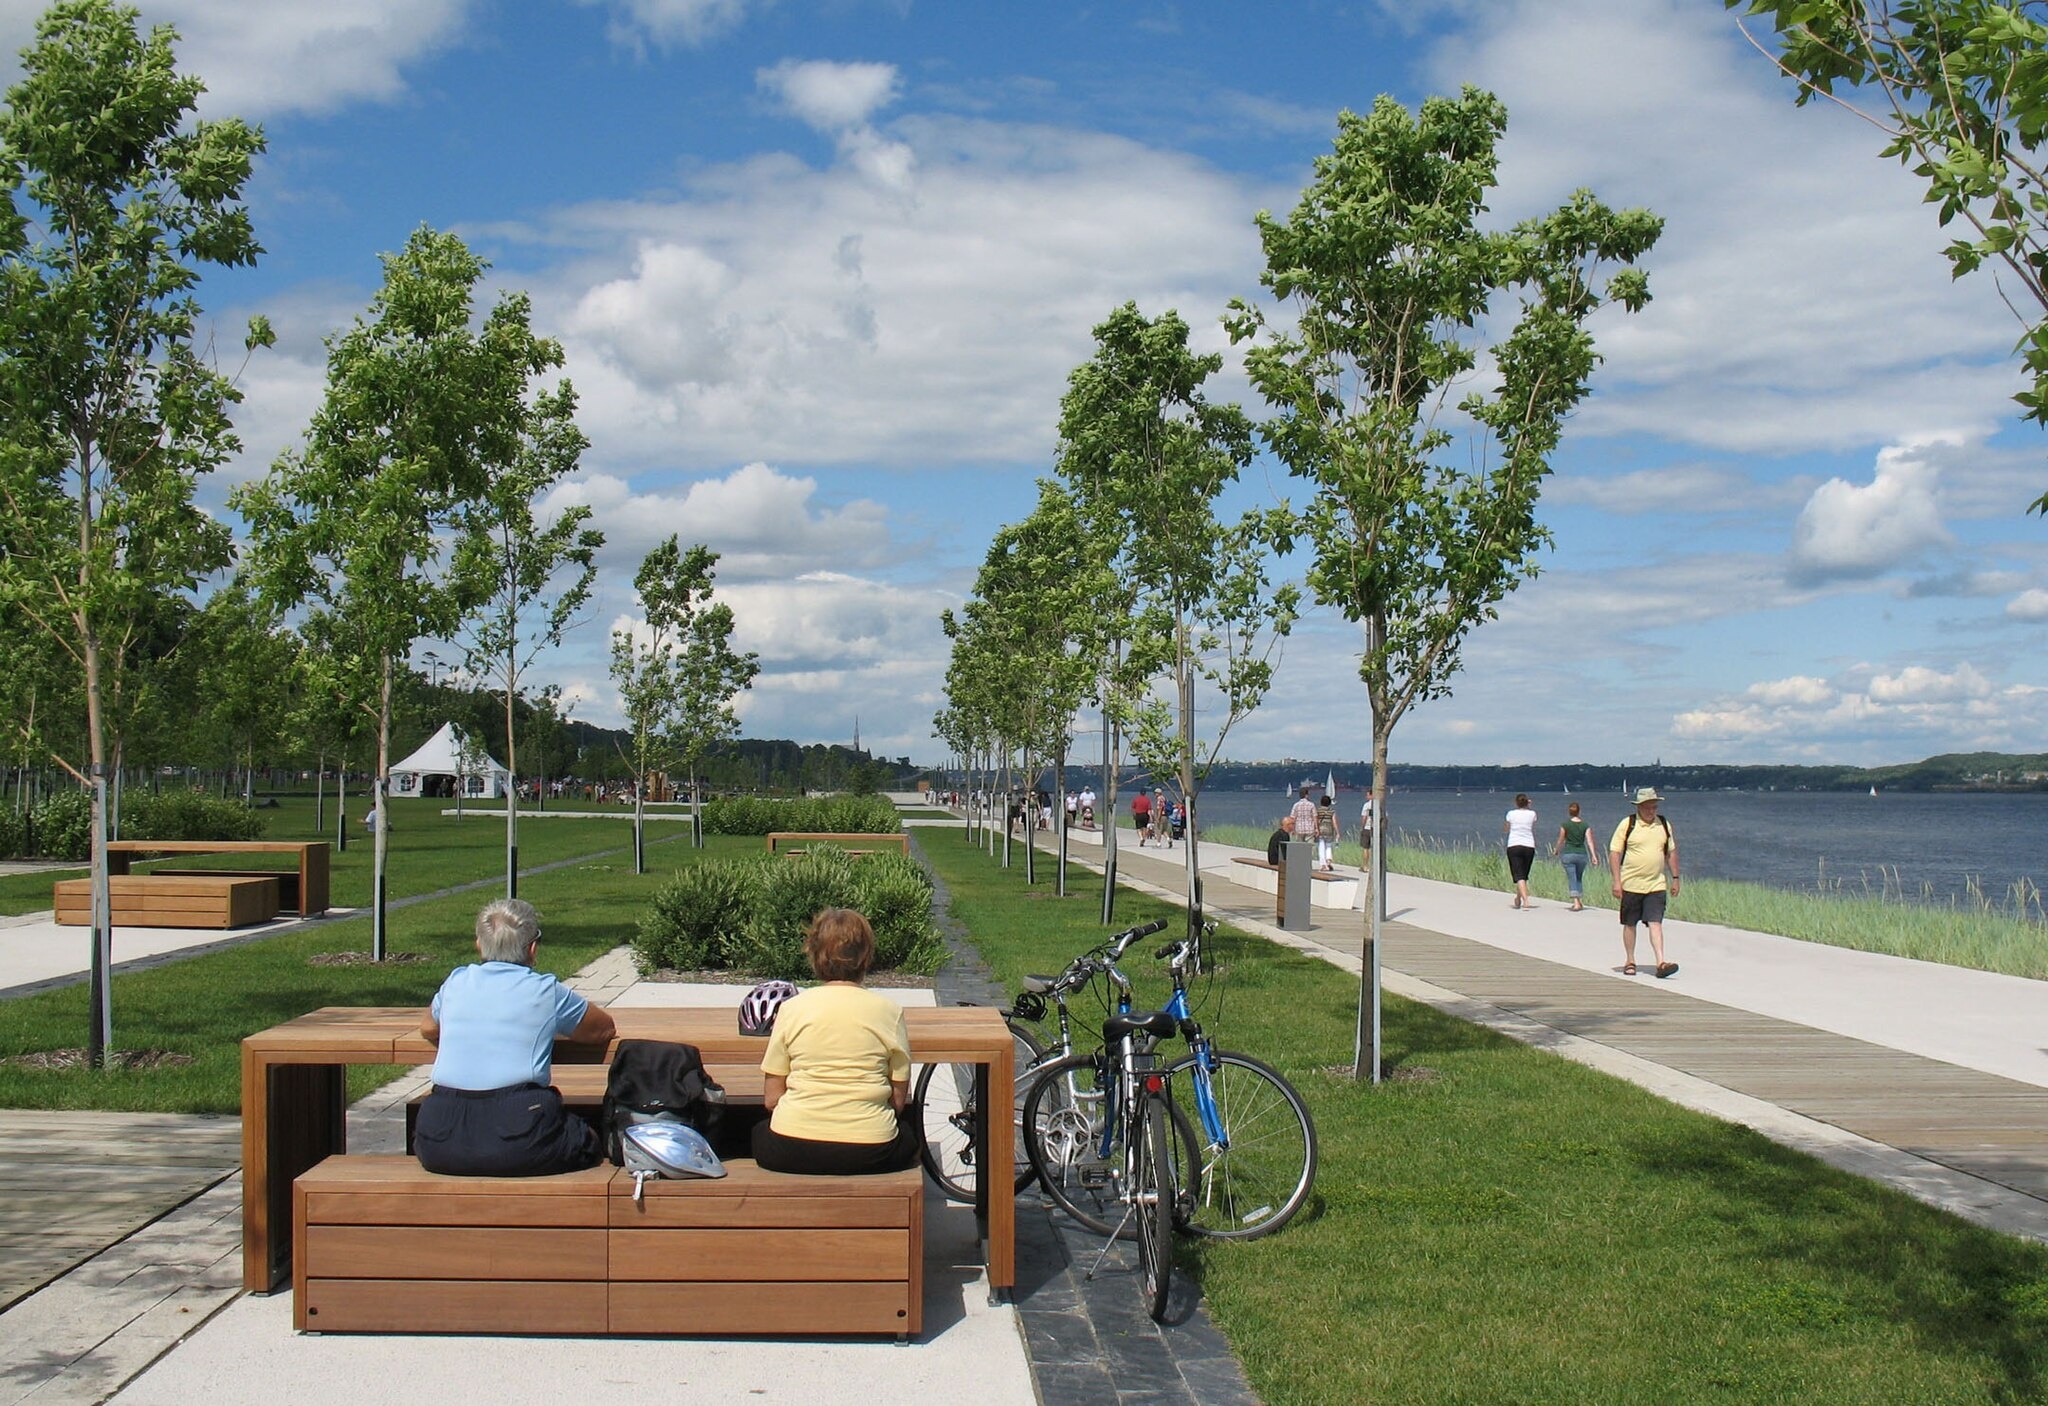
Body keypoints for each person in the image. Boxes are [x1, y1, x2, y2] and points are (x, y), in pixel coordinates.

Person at [415, 898, 616, 1176]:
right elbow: (602, 1029)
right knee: (588, 1138)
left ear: (478, 945)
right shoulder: (545, 990)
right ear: (532, 948)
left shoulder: (456, 982)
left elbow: (428, 1027)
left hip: (440, 1139)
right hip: (520, 1136)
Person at [752, 908, 920, 1175]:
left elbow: (772, 1099)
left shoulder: (792, 1009)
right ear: (866, 956)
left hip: (792, 1145)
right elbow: (897, 1101)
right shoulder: (889, 1011)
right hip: (871, 1147)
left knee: (754, 1131)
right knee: (909, 1135)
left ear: (814, 954)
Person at [1609, 787, 1680, 978]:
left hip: (1656, 884)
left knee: (1656, 922)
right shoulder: (1628, 824)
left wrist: (1675, 878)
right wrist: (1617, 881)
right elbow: (1615, 852)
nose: (1651, 811)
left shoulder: (1663, 824)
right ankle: (1630, 960)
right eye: (1648, 807)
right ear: (1639, 807)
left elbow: (1671, 852)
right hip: (1631, 883)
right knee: (1630, 924)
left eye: (1654, 807)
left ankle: (1661, 962)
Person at [1551, 801, 1601, 911]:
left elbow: (1561, 839)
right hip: (1581, 854)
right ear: (1579, 811)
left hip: (1569, 853)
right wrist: (1594, 856)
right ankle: (1579, 901)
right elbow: (1590, 841)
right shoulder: (1585, 825)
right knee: (1578, 877)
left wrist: (1556, 850)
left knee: (1572, 877)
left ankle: (1576, 902)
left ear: (1569, 812)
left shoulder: (1565, 824)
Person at [1504, 793, 1538, 910]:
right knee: (1523, 874)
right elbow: (1532, 821)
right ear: (1527, 802)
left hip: (1514, 845)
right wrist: (1528, 806)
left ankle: (1526, 900)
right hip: (1529, 845)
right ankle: (1518, 898)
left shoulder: (1511, 814)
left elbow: (1506, 829)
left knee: (1519, 875)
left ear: (1516, 802)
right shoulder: (1532, 814)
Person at [1288, 786, 1318, 858]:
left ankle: (1301, 862)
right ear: (1306, 795)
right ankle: (1309, 862)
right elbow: (1315, 817)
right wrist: (1316, 828)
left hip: (1299, 829)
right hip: (1310, 829)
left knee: (1300, 848)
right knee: (1310, 848)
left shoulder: (1296, 805)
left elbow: (1292, 818)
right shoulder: (1311, 805)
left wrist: (1292, 829)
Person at [1314, 792, 1340, 872]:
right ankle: (1328, 861)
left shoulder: (1318, 811)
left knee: (1321, 847)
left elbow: (1316, 821)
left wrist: (1316, 829)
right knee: (1328, 846)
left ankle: (1323, 864)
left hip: (1321, 830)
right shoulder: (1331, 811)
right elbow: (1334, 822)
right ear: (1329, 803)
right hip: (1329, 830)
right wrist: (1337, 832)